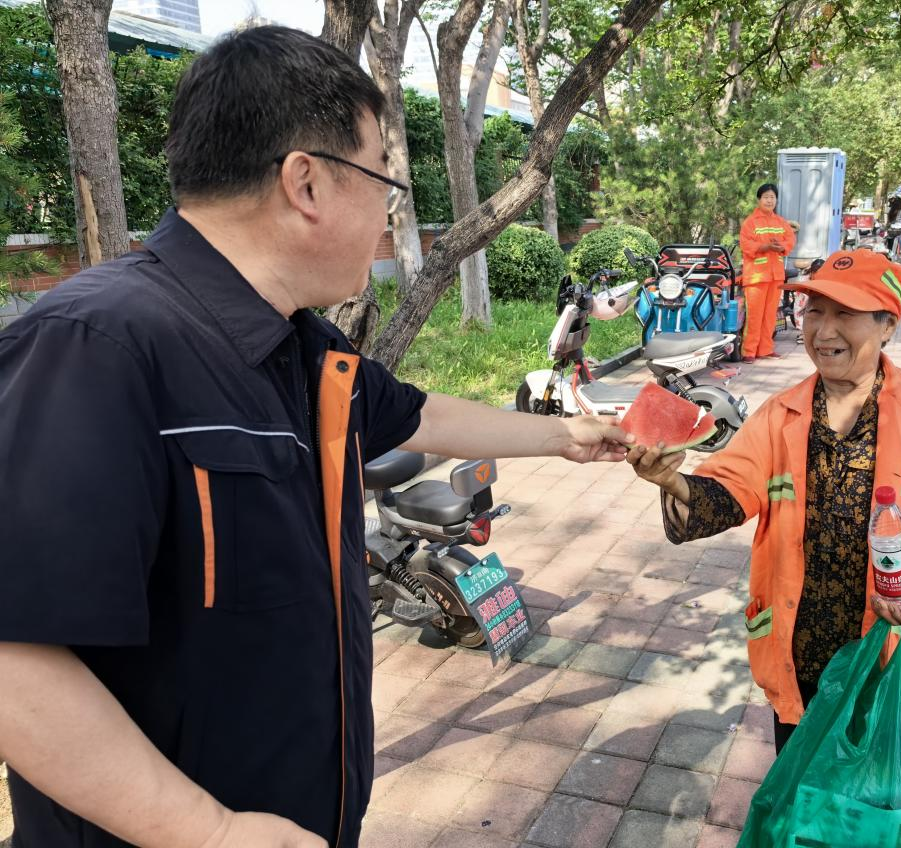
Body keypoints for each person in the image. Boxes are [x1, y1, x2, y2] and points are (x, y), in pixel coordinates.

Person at [0, 26, 632, 848]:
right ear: (306, 182)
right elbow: (15, 661)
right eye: (383, 181)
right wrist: (211, 833)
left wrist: (566, 437)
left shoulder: (301, 346)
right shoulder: (98, 346)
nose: (387, 214)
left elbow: (418, 414)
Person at [626, 250, 901, 753]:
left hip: (896, 648)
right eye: (814, 311)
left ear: (888, 325)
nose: (823, 331)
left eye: (845, 313)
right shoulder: (780, 415)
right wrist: (672, 482)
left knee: (890, 790)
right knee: (803, 786)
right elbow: (729, 493)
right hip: (804, 653)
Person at [740, 183, 797, 362]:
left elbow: (790, 239)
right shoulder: (750, 222)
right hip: (756, 276)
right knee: (754, 316)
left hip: (775, 276)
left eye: (772, 197)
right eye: (766, 197)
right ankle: (749, 351)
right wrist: (765, 247)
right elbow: (746, 245)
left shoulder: (781, 222)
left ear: (776, 200)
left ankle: (765, 350)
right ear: (759, 199)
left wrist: (782, 246)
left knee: (770, 315)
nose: (769, 200)